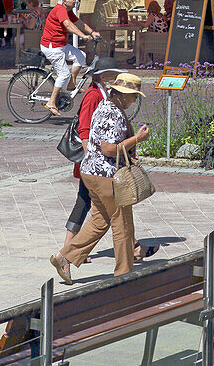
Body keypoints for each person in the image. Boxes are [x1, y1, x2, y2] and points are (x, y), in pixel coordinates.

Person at [50, 71, 151, 282]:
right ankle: (124, 275)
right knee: (122, 224)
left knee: (100, 220)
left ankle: (65, 257)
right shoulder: (113, 113)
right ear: (122, 94)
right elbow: (108, 148)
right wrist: (137, 139)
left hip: (91, 172)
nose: (134, 100)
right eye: (133, 96)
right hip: (106, 175)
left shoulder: (105, 106)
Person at [41, 0, 102, 117]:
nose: (76, 1)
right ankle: (51, 102)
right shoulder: (60, 9)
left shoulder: (68, 10)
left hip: (61, 45)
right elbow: (68, 25)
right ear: (64, 0)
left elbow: (79, 22)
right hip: (52, 46)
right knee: (64, 73)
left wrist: (91, 32)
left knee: (81, 56)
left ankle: (71, 84)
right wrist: (83, 36)